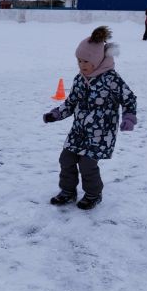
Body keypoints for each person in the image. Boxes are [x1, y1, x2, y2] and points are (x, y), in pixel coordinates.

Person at [43, 26, 137, 210]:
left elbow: (129, 97)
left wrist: (129, 117)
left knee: (87, 164)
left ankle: (93, 194)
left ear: (98, 60)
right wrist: (55, 114)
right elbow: (70, 103)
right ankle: (68, 192)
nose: (81, 65)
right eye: (79, 61)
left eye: (86, 61)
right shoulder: (79, 80)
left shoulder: (111, 79)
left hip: (100, 133)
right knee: (66, 159)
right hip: (78, 131)